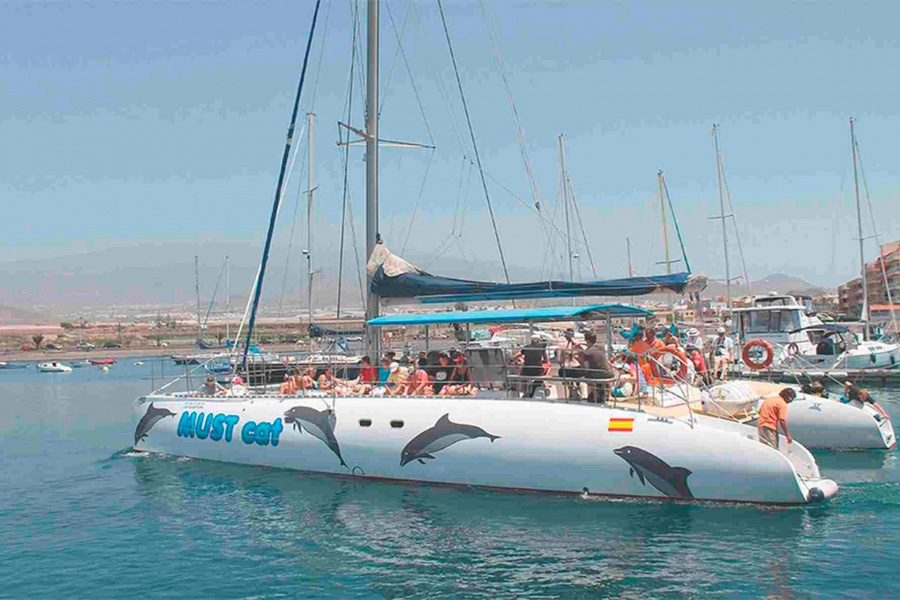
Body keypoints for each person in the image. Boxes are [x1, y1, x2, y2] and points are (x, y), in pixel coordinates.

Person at [578, 331, 614, 404]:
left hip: (600, 375)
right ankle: (608, 396)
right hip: (609, 373)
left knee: (585, 376)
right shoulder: (601, 347)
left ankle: (595, 393)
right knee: (600, 373)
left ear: (587, 340)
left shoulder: (587, 352)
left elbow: (585, 368)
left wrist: (580, 359)